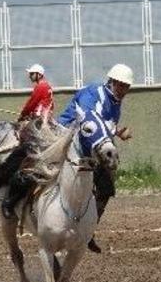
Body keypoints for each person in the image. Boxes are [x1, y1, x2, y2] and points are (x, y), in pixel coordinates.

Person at [56, 63, 134, 252]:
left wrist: (117, 132)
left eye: (127, 86)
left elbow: (107, 126)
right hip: (68, 136)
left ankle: (88, 232)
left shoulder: (116, 102)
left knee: (106, 187)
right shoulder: (93, 92)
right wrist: (114, 131)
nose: (124, 89)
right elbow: (90, 121)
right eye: (121, 85)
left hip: (92, 145)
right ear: (112, 81)